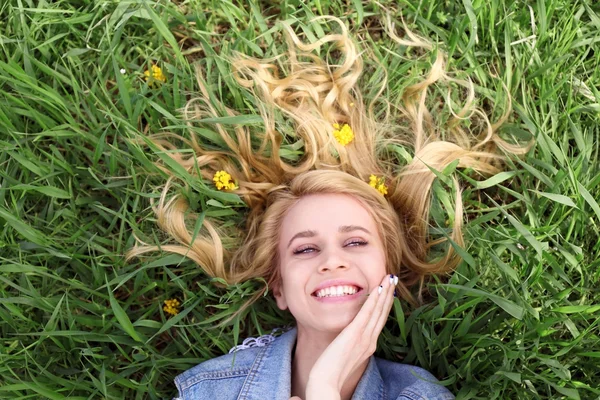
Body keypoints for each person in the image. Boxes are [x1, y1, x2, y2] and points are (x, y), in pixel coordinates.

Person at [126, 15, 529, 400]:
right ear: (279, 288)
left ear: (388, 271)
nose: (332, 261)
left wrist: (325, 387)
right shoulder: (210, 392)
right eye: (304, 249)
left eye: (355, 242)